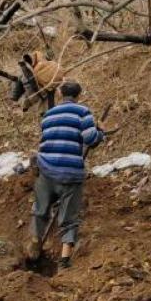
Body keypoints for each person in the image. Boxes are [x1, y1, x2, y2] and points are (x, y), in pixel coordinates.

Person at [26, 81, 105, 270]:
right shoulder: (82, 112)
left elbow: (45, 140)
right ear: (78, 95)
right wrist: (100, 131)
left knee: (40, 210)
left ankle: (35, 240)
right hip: (70, 173)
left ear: (60, 93)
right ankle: (64, 261)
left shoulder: (48, 115)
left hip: (46, 170)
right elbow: (90, 139)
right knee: (69, 218)